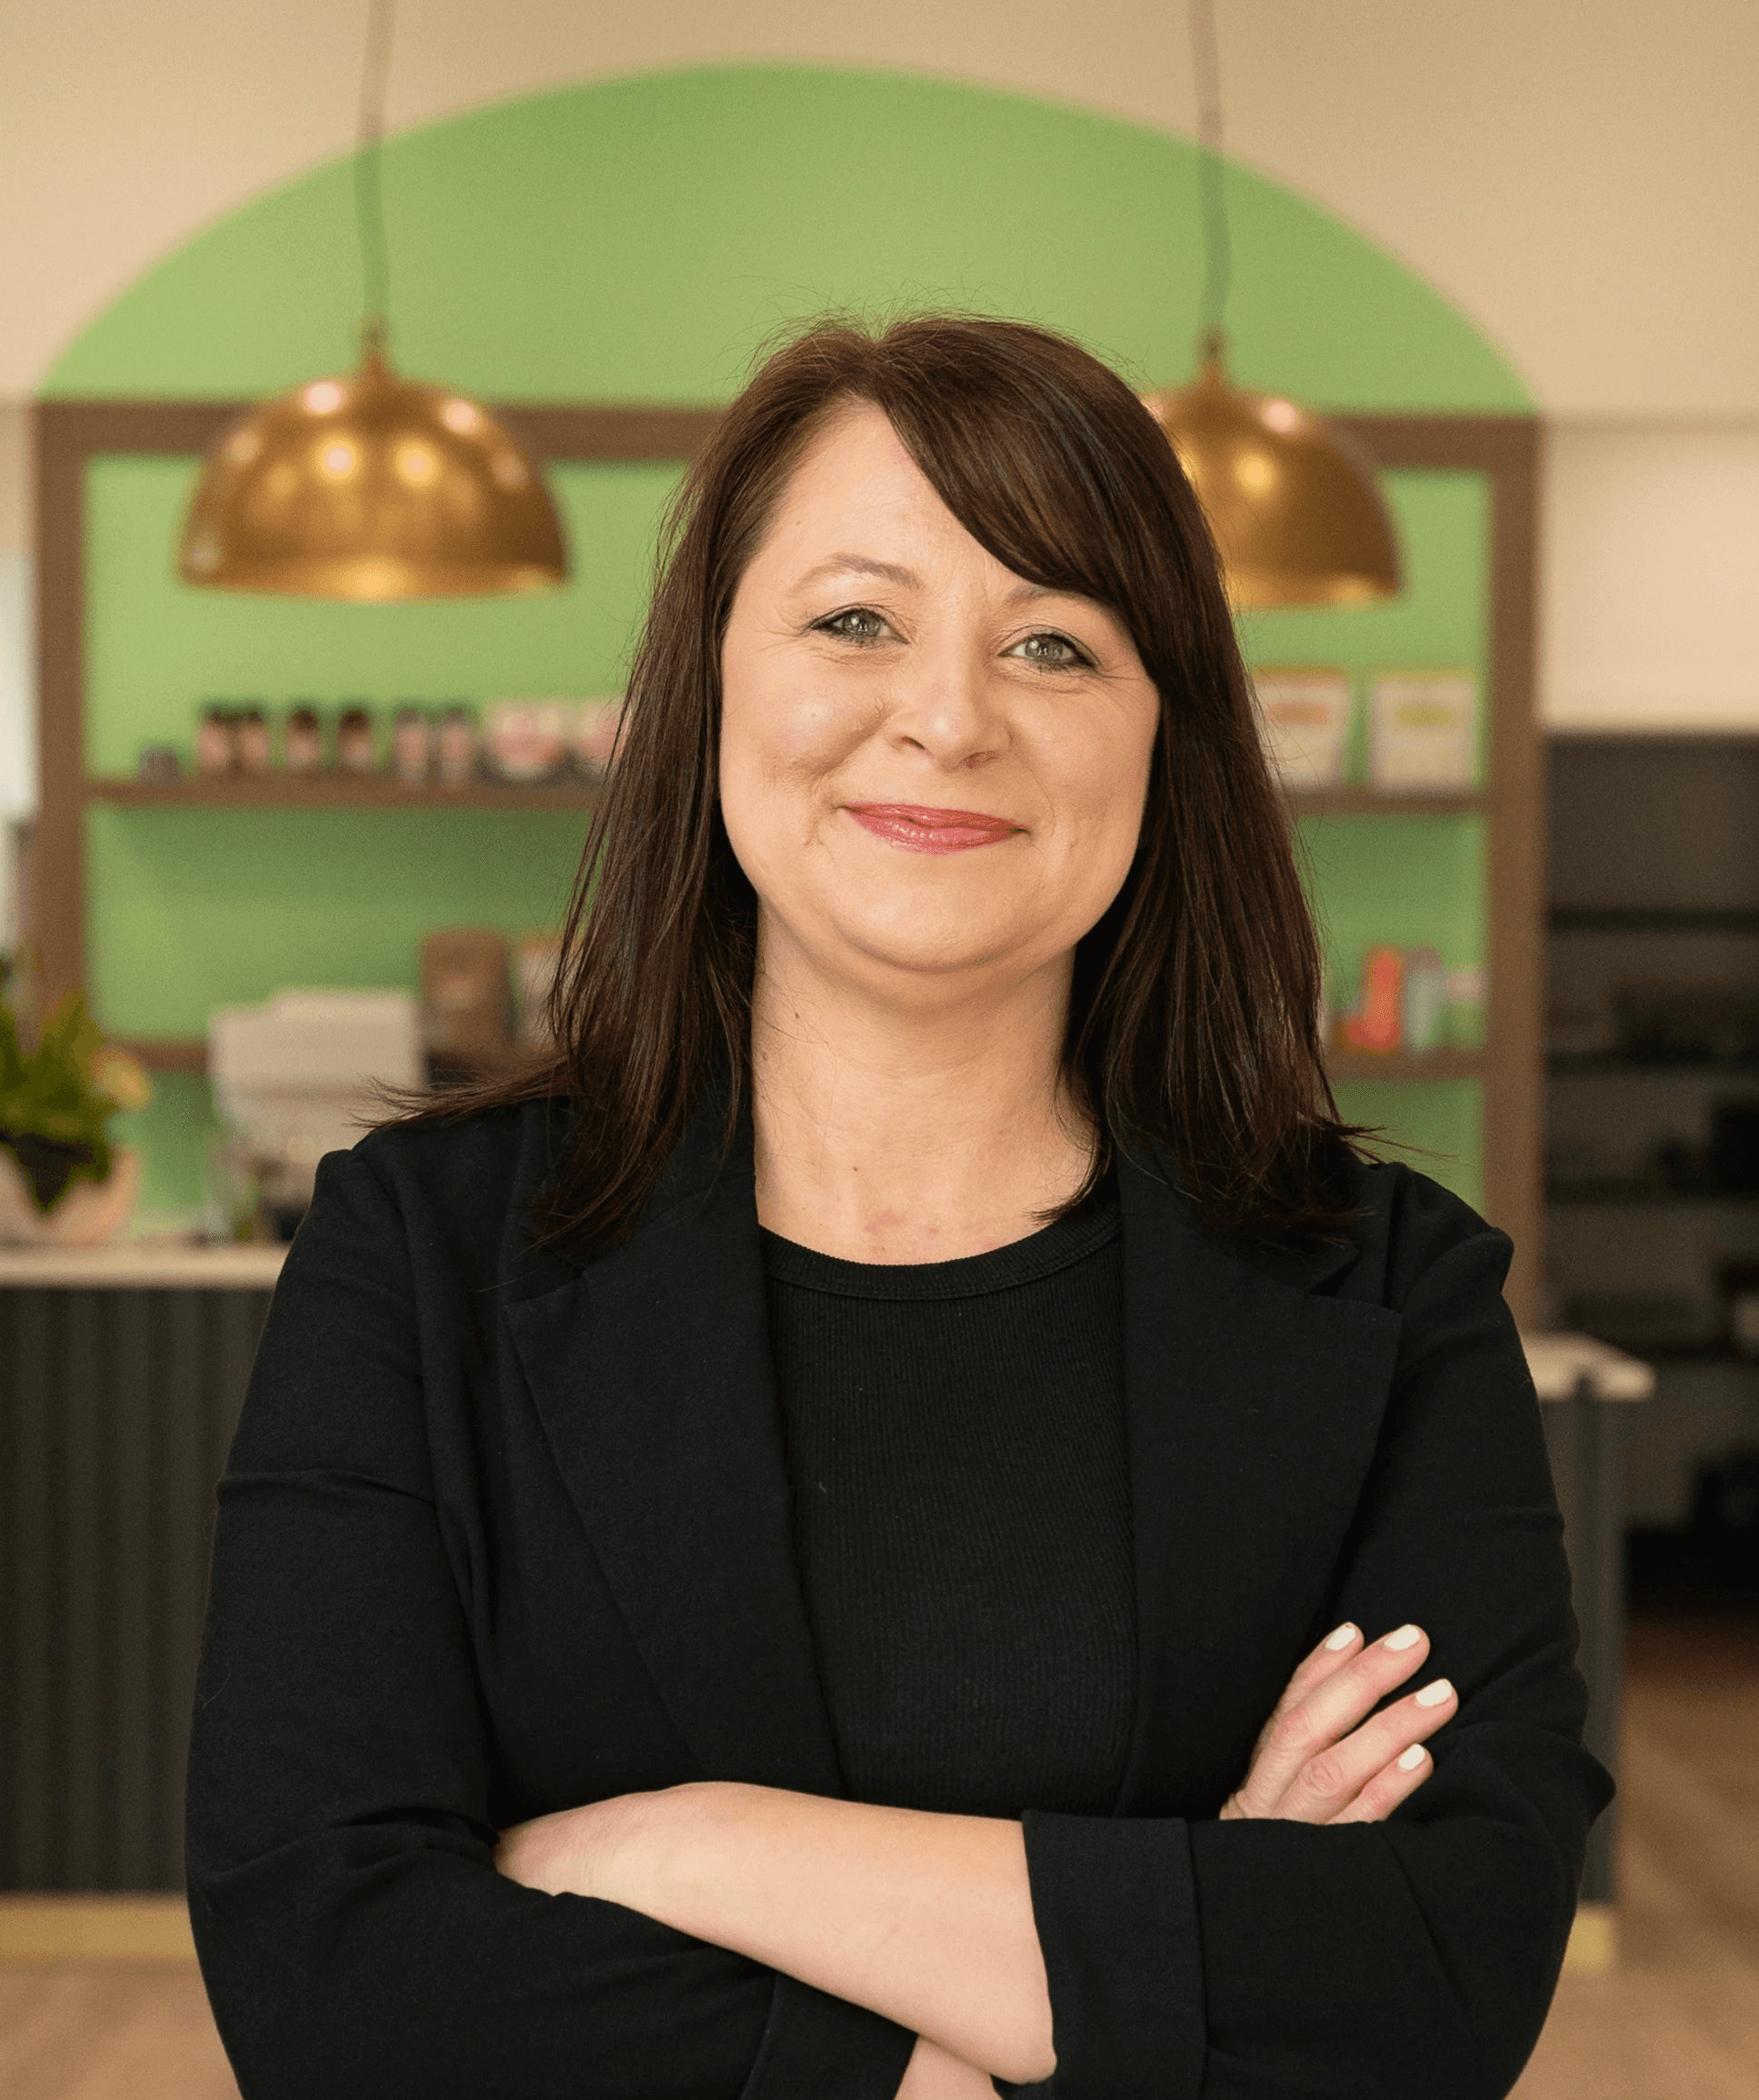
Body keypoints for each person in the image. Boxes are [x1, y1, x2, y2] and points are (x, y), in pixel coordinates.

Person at [186, 313, 1612, 2100]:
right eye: (854, 618)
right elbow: (332, 1982)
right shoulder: (418, 1252)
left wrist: (665, 1851)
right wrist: (1131, 1963)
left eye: (1053, 643)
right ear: (712, 678)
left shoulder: (1391, 1301)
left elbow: (1433, 1981)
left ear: (1165, 736)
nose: (946, 715)